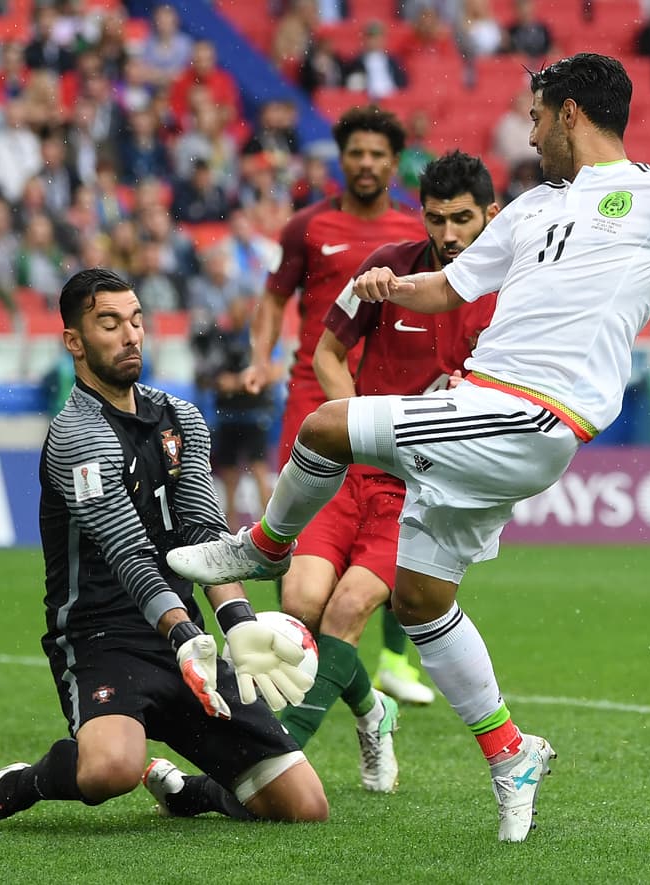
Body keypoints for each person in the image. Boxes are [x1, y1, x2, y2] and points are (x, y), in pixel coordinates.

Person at [164, 53, 650, 842]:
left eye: (538, 116)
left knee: (325, 426)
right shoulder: (531, 206)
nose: (530, 132)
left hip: (526, 411)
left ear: (570, 112)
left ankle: (264, 548)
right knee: (421, 601)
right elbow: (453, 286)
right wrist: (391, 288)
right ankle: (511, 752)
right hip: (490, 410)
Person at [0, 268, 327, 830]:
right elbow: (129, 554)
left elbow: (205, 538)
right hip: (102, 636)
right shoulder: (75, 435)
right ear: (74, 342)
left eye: (136, 320)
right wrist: (186, 635)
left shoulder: (181, 417)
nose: (130, 335)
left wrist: (236, 623)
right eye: (108, 324)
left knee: (303, 807)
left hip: (188, 641)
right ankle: (20, 784)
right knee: (110, 771)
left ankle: (189, 793)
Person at [278, 151, 500, 790]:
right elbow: (328, 352)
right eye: (437, 219)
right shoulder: (384, 272)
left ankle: (268, 759)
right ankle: (375, 713)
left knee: (346, 610)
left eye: (463, 218)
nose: (450, 234)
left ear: (491, 215)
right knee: (299, 603)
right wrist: (354, 423)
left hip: (422, 490)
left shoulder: (509, 298)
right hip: (352, 472)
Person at [240, 105, 430, 701]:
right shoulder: (305, 228)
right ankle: (301, 648)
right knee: (296, 533)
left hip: (384, 395)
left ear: (394, 163)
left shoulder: (414, 232)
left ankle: (396, 660)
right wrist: (259, 357)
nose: (367, 163)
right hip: (310, 396)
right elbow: (273, 301)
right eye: (357, 153)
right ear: (341, 160)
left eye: (378, 154)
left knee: (403, 517)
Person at [192, 292, 277, 533]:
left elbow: (273, 372)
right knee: (230, 479)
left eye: (241, 311)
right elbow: (204, 377)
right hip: (227, 417)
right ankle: (229, 534)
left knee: (260, 472)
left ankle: (271, 534)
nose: (237, 316)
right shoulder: (219, 339)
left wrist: (238, 381)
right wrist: (220, 382)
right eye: (233, 311)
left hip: (253, 415)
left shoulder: (259, 341)